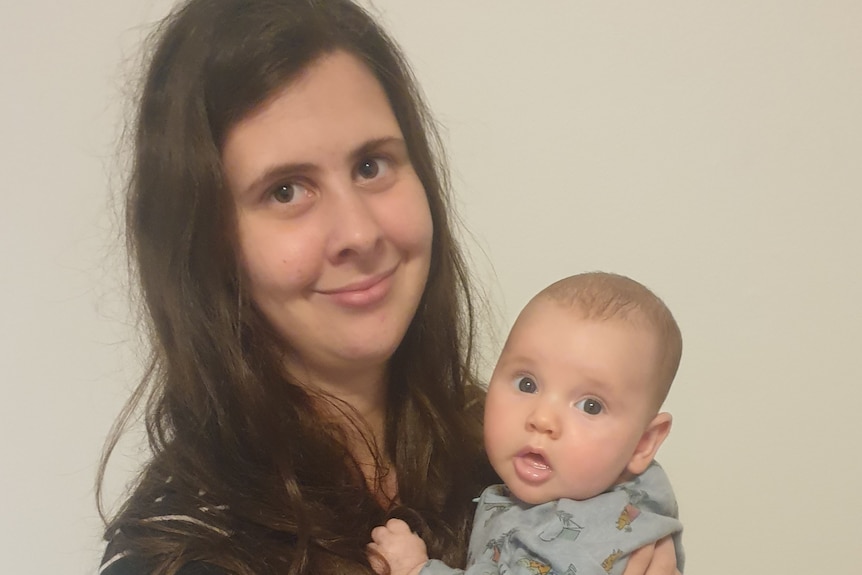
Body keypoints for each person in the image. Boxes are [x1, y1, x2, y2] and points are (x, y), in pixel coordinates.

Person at [96, 1, 680, 574]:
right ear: (205, 242)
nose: (359, 232)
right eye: (286, 190)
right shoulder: (180, 555)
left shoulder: (524, 451)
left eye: (371, 166)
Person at [369, 272, 685, 575]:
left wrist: (415, 569)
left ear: (644, 443)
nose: (542, 419)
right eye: (527, 385)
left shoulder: (589, 534)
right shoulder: (601, 493)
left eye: (590, 406)